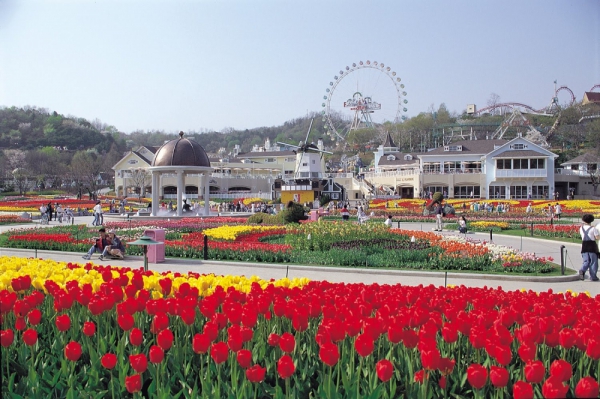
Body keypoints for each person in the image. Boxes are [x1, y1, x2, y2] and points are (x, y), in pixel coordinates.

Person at [578, 214, 599, 281]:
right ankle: (593, 276)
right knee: (593, 261)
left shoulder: (581, 228)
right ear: (592, 220)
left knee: (586, 260)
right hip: (592, 246)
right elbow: (597, 237)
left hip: (584, 245)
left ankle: (582, 269)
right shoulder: (593, 228)